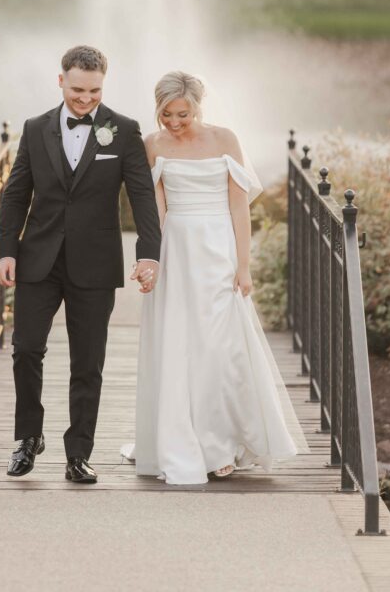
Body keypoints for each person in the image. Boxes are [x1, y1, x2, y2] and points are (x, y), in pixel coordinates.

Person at [122, 70, 298, 484]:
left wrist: (243, 265)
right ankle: (190, 443)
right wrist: (152, 261)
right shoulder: (152, 145)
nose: (174, 122)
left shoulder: (225, 140)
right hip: (177, 250)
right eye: (166, 114)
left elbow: (239, 207)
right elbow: (157, 209)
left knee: (219, 347)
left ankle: (221, 442)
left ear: (198, 107)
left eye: (182, 113)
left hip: (218, 250)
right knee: (180, 345)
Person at [0, 45, 162, 484]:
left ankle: (78, 453)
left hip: (95, 262)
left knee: (88, 362)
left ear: (103, 85)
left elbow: (142, 195)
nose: (85, 99)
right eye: (77, 90)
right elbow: (15, 193)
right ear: (60, 82)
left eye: (94, 91)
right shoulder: (35, 129)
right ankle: (28, 437)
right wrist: (6, 250)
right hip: (38, 258)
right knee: (26, 349)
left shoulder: (123, 131)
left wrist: (149, 252)